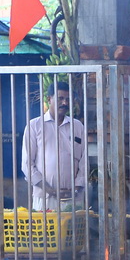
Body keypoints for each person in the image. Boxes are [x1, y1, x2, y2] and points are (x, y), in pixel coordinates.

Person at [21, 81, 86, 211]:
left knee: (72, 231)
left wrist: (76, 189)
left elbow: (84, 161)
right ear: (49, 99)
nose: (65, 103)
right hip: (44, 198)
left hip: (73, 198)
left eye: (68, 99)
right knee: (45, 231)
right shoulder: (34, 125)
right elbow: (27, 164)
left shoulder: (77, 126)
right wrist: (51, 190)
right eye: (60, 98)